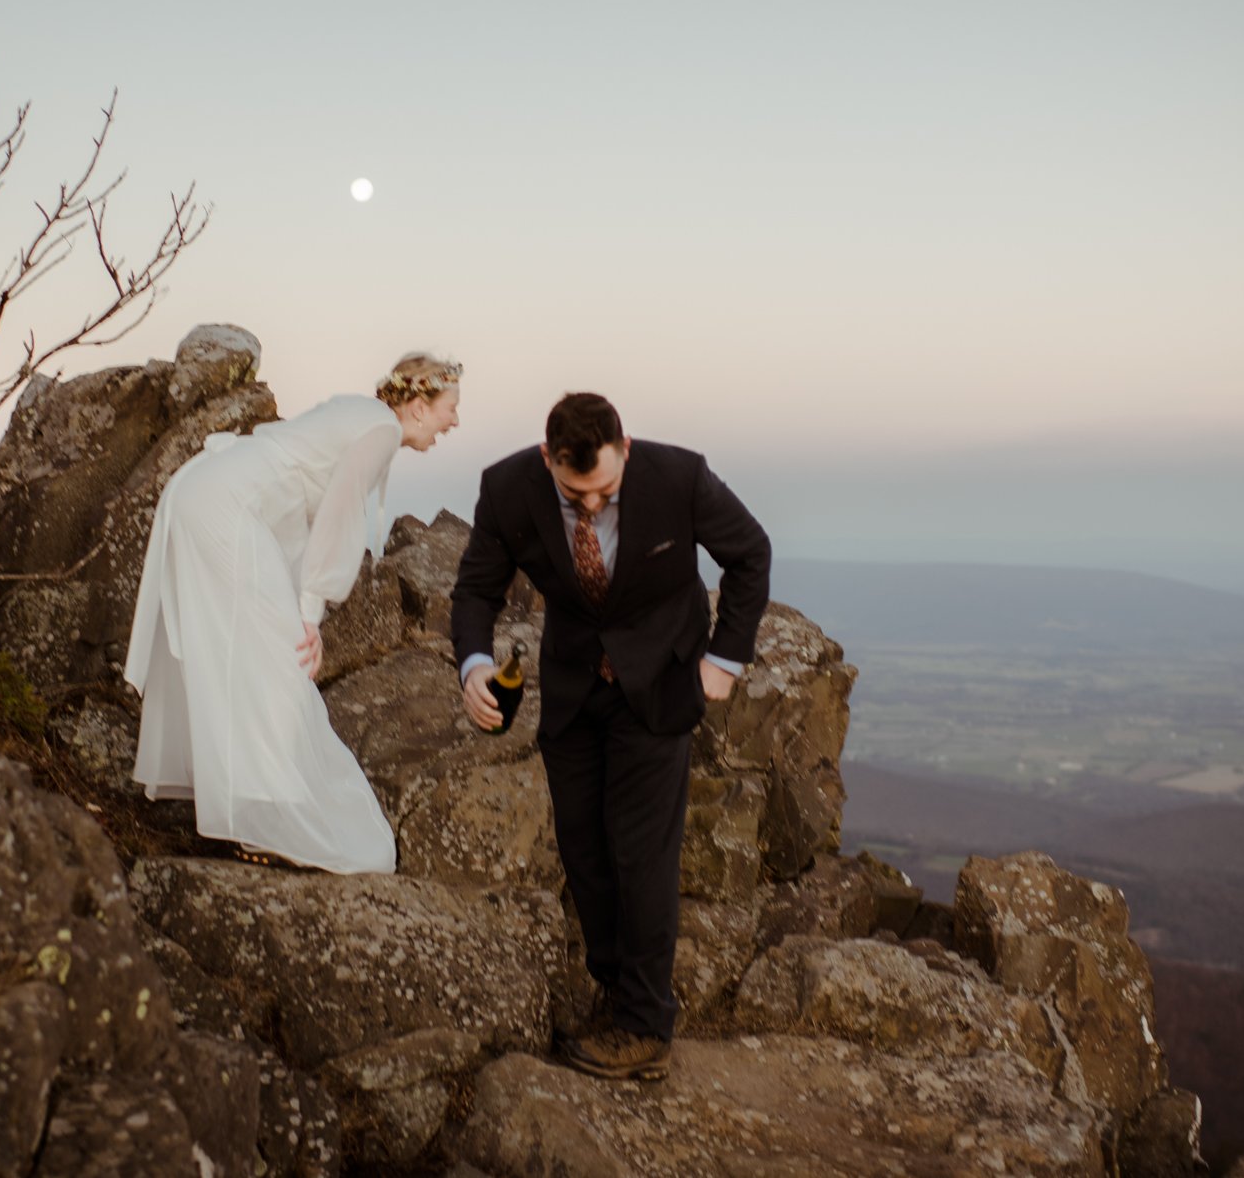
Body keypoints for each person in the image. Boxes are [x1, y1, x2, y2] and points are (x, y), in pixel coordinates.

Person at [451, 392, 770, 1080]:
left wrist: (724, 659)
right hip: (572, 693)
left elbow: (749, 552)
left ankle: (646, 1024)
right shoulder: (507, 487)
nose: (591, 505)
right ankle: (616, 991)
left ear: (624, 449)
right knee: (585, 852)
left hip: (659, 689)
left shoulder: (680, 478)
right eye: (575, 492)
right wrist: (474, 665)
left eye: (604, 489)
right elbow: (476, 588)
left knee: (640, 855)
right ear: (548, 459)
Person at [124, 353, 463, 873]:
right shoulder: (377, 431)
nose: (454, 421)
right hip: (225, 509)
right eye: (449, 408)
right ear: (418, 407)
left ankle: (248, 808)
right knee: (279, 662)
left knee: (243, 658)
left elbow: (308, 503)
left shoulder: (364, 416)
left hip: (209, 496)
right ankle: (265, 821)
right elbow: (339, 514)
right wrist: (309, 609)